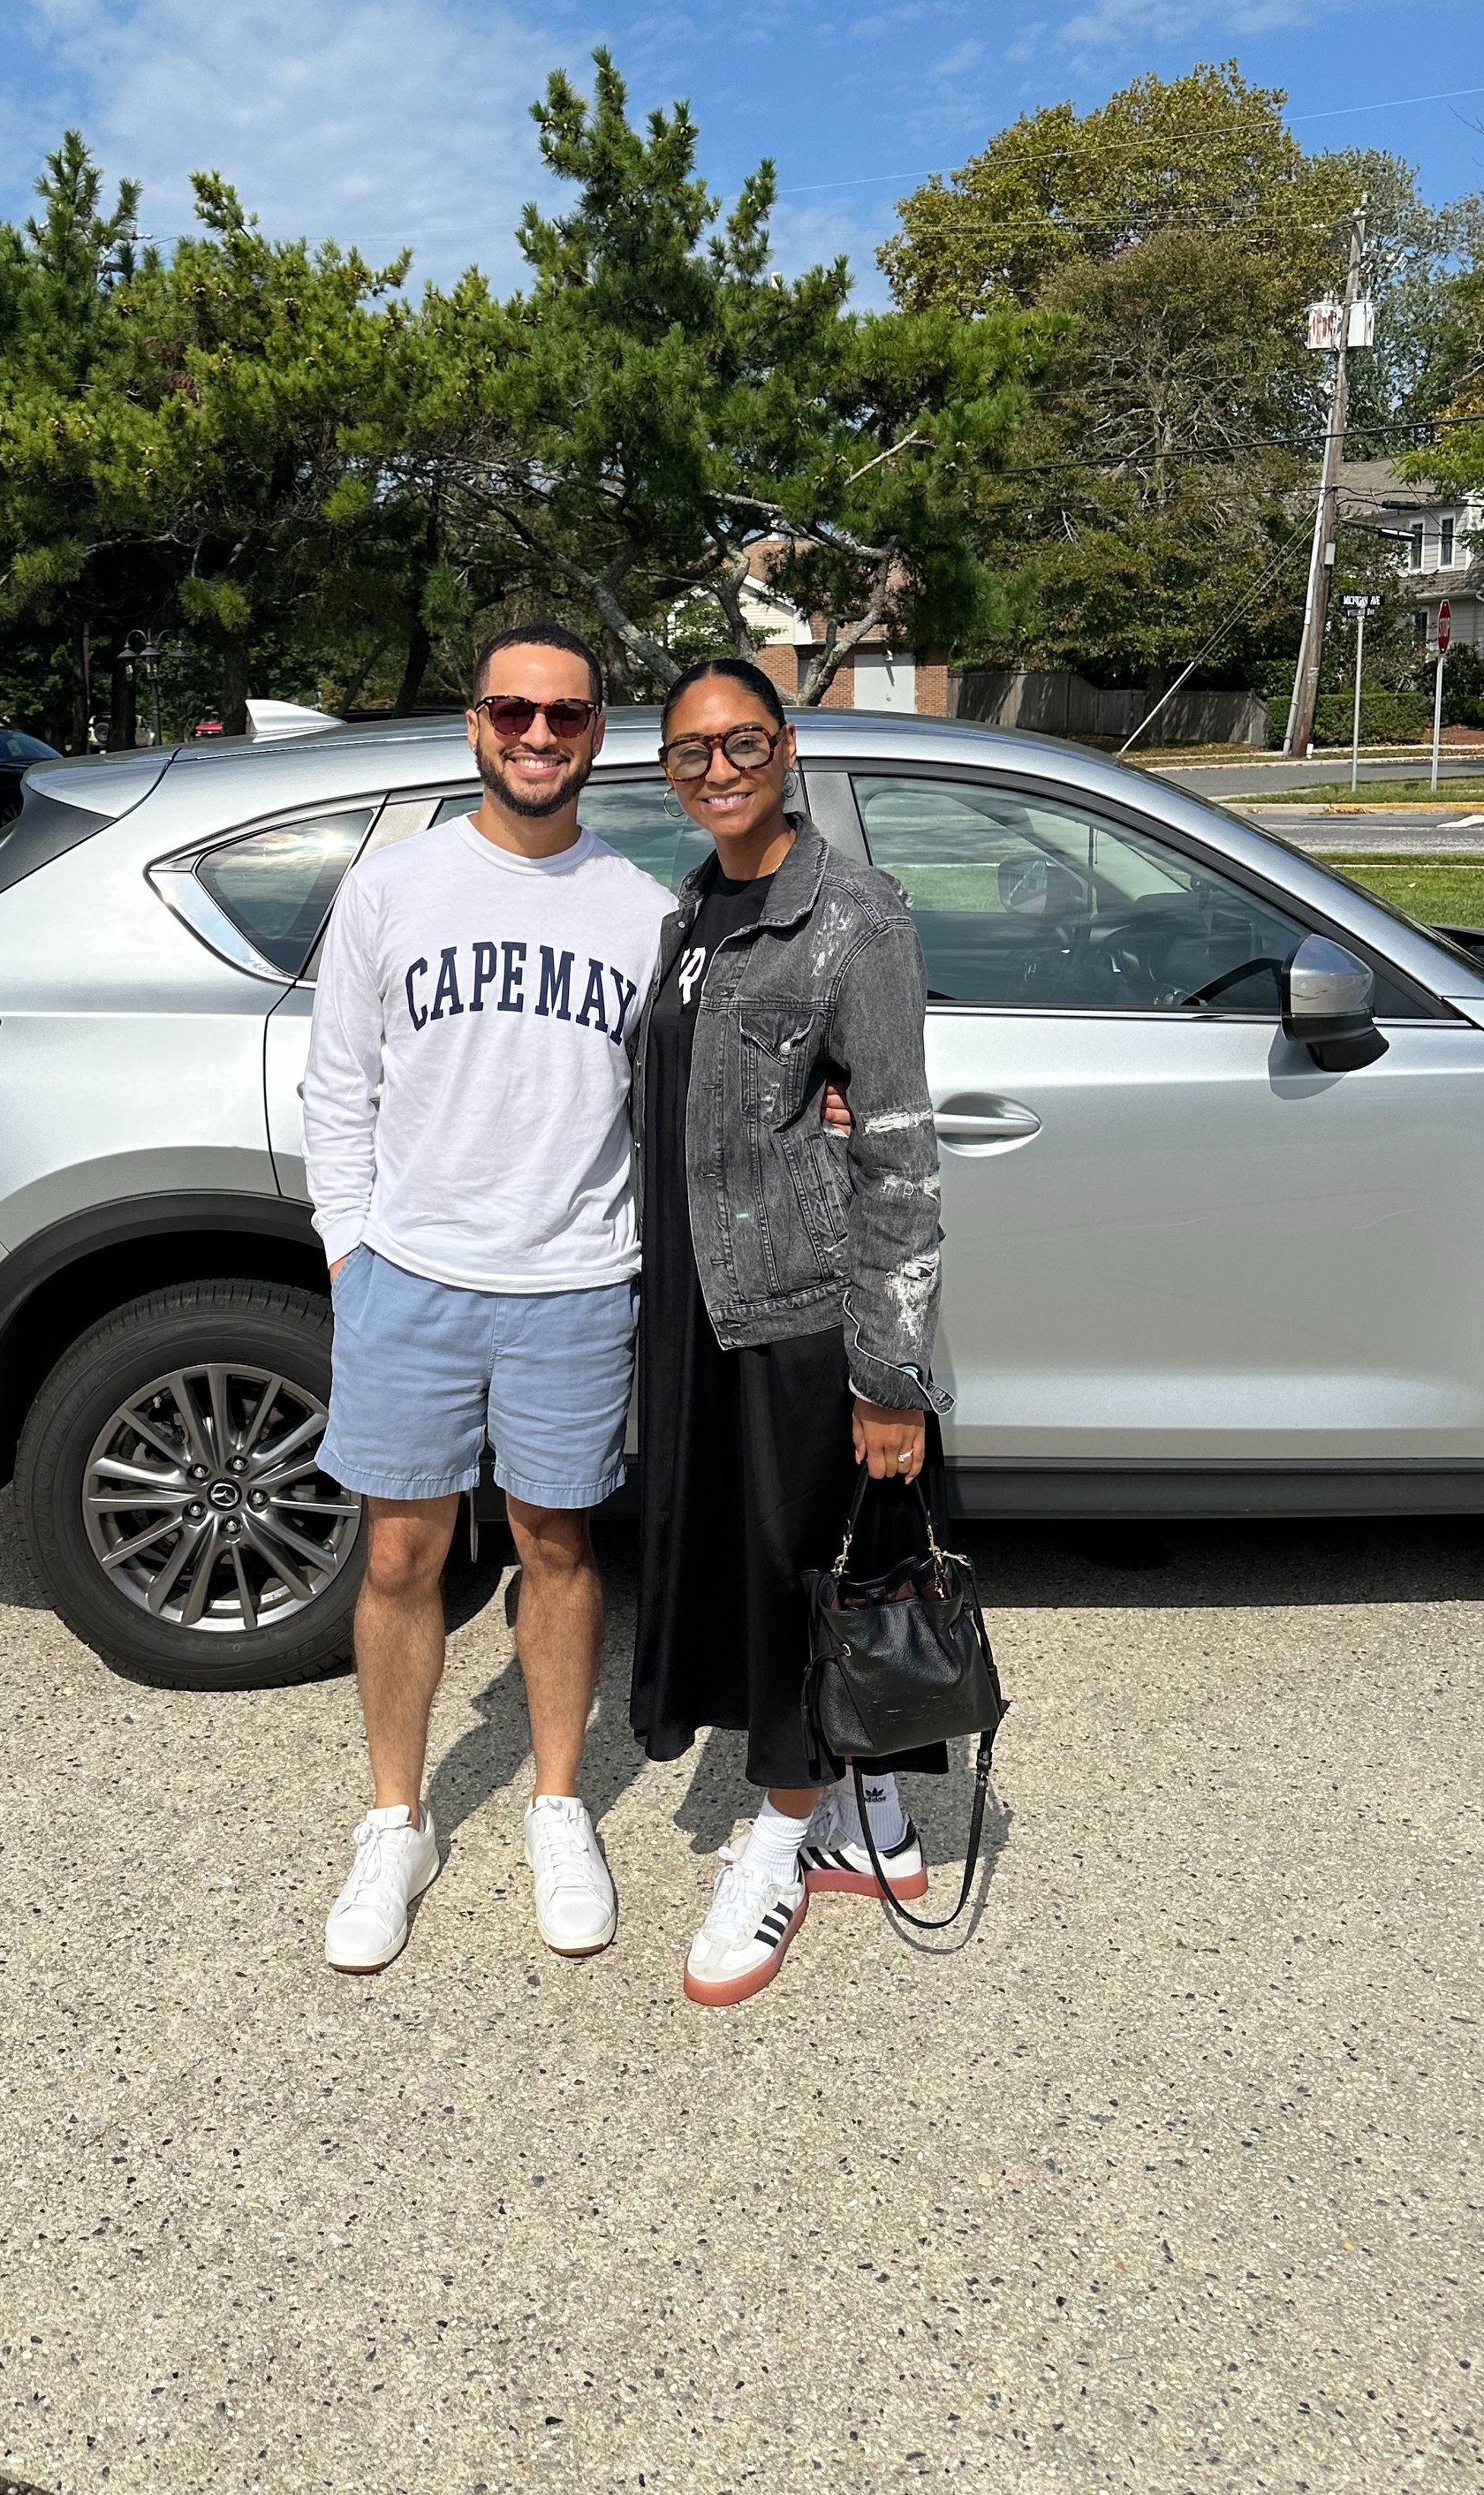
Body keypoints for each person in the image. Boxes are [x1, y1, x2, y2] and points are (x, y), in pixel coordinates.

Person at [303, 625, 671, 1974]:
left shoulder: (642, 910)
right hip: (411, 1277)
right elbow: (337, 1084)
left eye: (564, 714)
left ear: (598, 732)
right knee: (401, 1557)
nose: (537, 734)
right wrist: (349, 1251)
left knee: (558, 1548)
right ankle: (394, 1821)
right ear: (474, 723)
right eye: (513, 709)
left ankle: (557, 1805)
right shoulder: (392, 888)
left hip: (573, 1283)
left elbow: (677, 1101)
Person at [627, 656, 946, 2007]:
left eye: (743, 741)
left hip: (804, 1310)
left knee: (796, 1577)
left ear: (788, 746)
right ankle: (874, 1816)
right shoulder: (693, 909)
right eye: (691, 751)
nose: (719, 768)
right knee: (781, 1573)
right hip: (708, 1303)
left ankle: (779, 1838)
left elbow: (902, 1156)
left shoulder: (852, 914)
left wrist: (890, 1373)